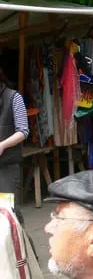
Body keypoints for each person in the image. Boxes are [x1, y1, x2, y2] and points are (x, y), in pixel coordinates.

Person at [0, 70, 29, 198]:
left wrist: (3, 145)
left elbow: (23, 131)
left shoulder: (13, 97)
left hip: (7, 164)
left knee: (7, 210)